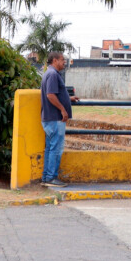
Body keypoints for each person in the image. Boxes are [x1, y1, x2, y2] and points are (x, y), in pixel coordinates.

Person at [40, 51, 78, 188]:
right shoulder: (53, 75)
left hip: (50, 118)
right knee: (56, 148)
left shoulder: (50, 74)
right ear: (54, 61)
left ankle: (46, 177)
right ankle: (51, 177)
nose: (64, 62)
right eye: (62, 60)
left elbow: (55, 94)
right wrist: (63, 109)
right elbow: (50, 95)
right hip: (55, 118)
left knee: (51, 147)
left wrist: (69, 98)